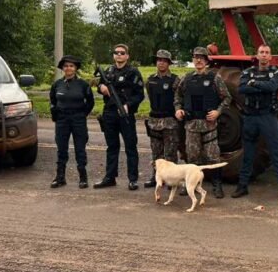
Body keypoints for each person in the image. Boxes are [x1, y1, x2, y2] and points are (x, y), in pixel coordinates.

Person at [231, 44, 278, 201]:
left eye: (267, 52)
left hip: (268, 117)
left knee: (276, 153)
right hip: (250, 116)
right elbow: (242, 89)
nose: (264, 55)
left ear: (270, 56)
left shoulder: (275, 72)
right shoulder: (247, 72)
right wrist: (262, 87)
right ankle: (242, 186)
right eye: (261, 52)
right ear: (257, 56)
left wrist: (254, 84)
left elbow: (272, 87)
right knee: (248, 154)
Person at [175, 47, 232, 198]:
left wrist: (218, 112)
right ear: (193, 59)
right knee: (192, 157)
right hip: (191, 125)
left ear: (206, 61)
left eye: (202, 58)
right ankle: (190, 184)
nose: (198, 60)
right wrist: (178, 109)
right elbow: (178, 97)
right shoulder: (186, 79)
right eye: (196, 57)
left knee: (212, 157)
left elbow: (227, 97)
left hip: (209, 126)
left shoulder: (215, 78)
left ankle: (217, 185)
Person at [94, 43, 145, 191]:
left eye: (122, 53)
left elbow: (139, 94)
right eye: (116, 52)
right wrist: (101, 88)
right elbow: (100, 86)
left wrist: (128, 105)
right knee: (112, 147)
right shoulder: (108, 71)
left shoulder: (133, 72)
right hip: (109, 113)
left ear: (127, 56)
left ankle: (133, 179)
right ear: (113, 55)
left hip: (125, 113)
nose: (119, 55)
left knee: (131, 147)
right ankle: (110, 177)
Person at [49, 55, 95, 189]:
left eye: (71, 66)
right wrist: (56, 115)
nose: (68, 68)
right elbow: (53, 101)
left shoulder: (83, 85)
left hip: (78, 119)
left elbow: (90, 102)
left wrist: (82, 114)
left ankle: (83, 178)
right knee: (61, 149)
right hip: (62, 120)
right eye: (66, 66)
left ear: (75, 68)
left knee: (80, 149)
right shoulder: (57, 84)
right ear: (62, 68)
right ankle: (60, 178)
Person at [143, 49, 181, 188]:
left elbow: (179, 98)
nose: (161, 63)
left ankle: (172, 179)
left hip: (170, 121)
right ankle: (156, 177)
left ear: (169, 63)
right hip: (154, 121)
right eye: (159, 60)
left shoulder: (175, 80)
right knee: (156, 153)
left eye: (164, 61)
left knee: (170, 153)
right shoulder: (150, 80)